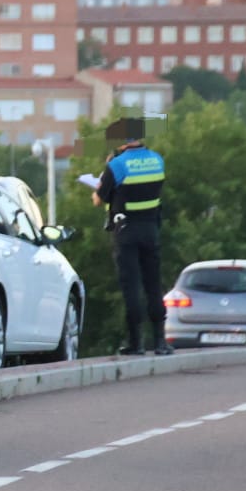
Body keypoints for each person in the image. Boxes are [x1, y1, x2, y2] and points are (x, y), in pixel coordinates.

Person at [93, 118, 172, 356]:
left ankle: (136, 343)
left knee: (132, 286)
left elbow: (99, 199)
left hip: (126, 231)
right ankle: (160, 341)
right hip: (151, 229)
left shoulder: (117, 165)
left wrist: (104, 173)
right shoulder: (157, 160)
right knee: (153, 284)